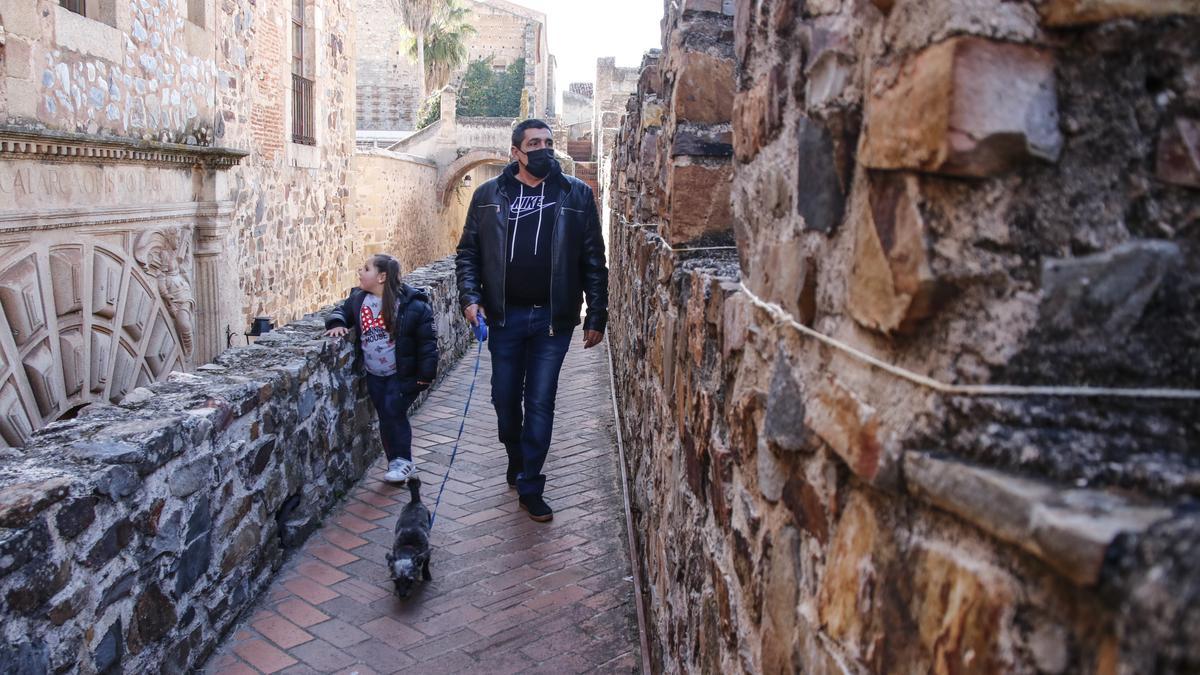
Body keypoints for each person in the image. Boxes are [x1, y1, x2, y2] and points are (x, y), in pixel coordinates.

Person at [455, 118, 609, 522]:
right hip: (504, 319)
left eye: (548, 142)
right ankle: (516, 454)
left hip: (552, 321)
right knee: (505, 400)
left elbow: (594, 259)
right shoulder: (489, 195)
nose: (544, 149)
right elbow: (468, 253)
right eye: (534, 143)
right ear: (516, 152)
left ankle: (530, 482)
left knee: (540, 401)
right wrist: (471, 298)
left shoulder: (577, 195)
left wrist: (597, 311)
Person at [325, 254, 438, 483]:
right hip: (375, 375)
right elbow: (341, 312)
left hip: (401, 374)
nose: (360, 272)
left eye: (366, 269)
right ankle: (394, 462)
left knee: (394, 412)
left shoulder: (411, 306)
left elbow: (427, 343)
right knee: (386, 416)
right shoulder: (358, 300)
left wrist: (425, 376)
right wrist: (337, 323)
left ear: (382, 277)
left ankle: (404, 461)